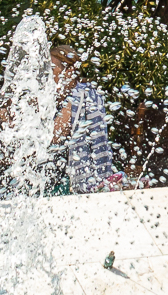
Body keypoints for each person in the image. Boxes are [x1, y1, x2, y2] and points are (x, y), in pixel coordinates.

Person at [49, 44, 134, 194]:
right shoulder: (57, 99)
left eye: (51, 70)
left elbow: (54, 137)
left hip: (74, 184)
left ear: (69, 71)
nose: (47, 77)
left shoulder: (81, 96)